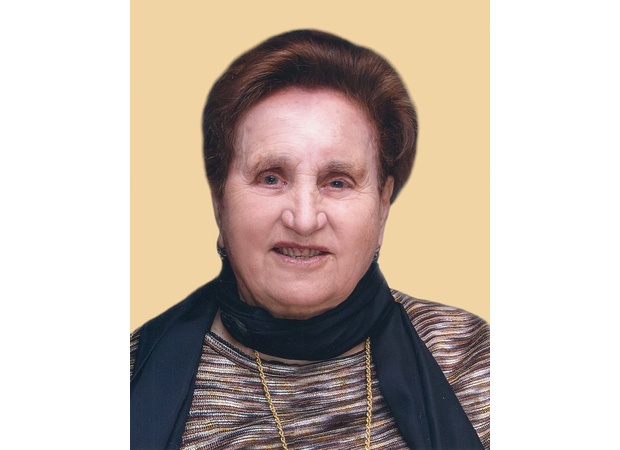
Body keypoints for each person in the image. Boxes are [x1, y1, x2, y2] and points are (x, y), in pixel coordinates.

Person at [130, 29, 489, 450]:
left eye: (337, 181)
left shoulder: (475, 362)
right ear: (219, 203)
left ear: (382, 206)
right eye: (270, 178)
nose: (303, 219)